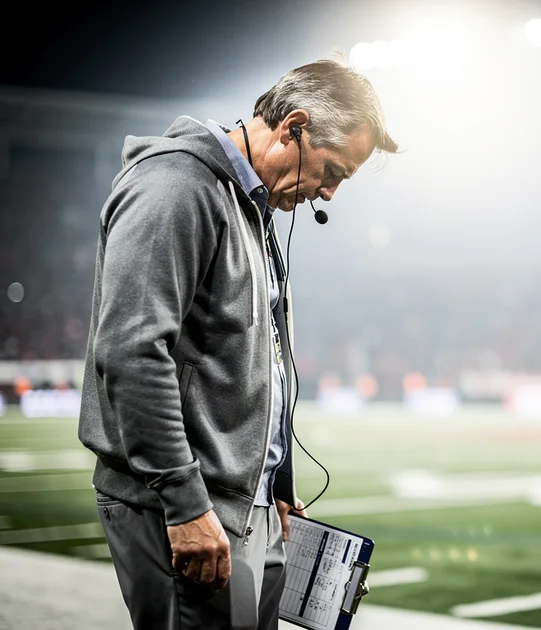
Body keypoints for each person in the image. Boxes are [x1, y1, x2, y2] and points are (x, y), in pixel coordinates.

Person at [77, 57, 398, 629]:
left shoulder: (251, 208)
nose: (328, 193)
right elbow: (132, 351)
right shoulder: (176, 186)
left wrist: (277, 484)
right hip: (187, 506)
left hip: (247, 503)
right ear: (293, 127)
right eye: (332, 171)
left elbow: (259, 356)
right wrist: (184, 503)